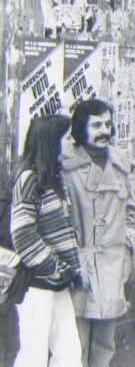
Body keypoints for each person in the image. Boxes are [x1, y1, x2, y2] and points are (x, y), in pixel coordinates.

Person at [63, 99, 135, 367]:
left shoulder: (120, 163)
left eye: (107, 124)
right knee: (75, 343)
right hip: (80, 266)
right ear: (81, 128)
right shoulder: (67, 168)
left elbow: (130, 207)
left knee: (105, 344)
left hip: (113, 267)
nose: (104, 131)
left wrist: (128, 238)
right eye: (95, 125)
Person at [11, 115, 82, 367]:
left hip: (57, 282)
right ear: (51, 142)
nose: (74, 141)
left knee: (69, 353)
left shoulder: (55, 179)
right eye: (68, 137)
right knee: (33, 355)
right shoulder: (29, 178)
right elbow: (22, 233)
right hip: (36, 283)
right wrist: (54, 268)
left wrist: (67, 272)